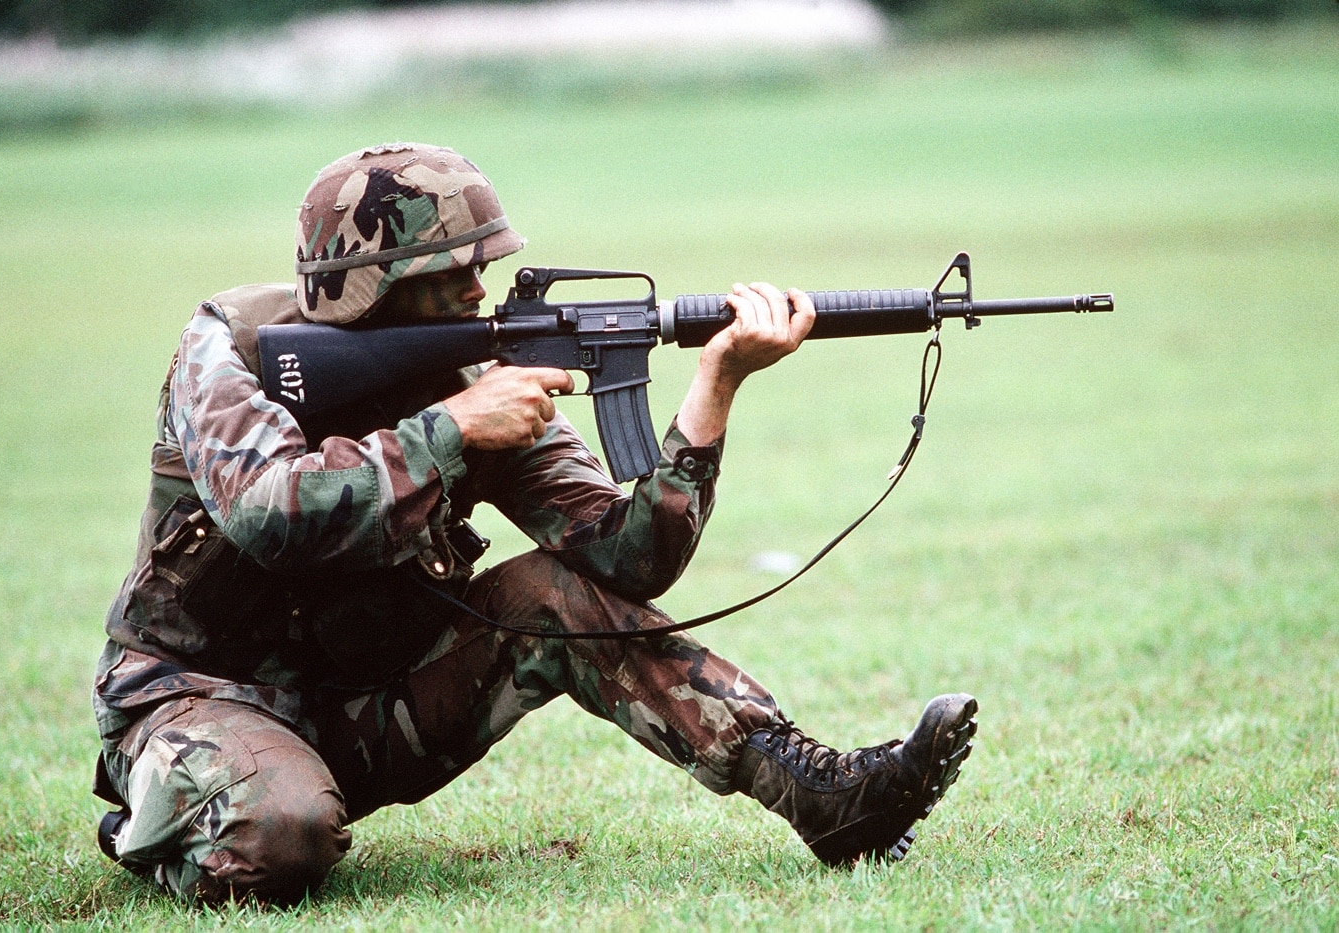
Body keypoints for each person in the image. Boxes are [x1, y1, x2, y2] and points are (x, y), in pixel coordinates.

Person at [91, 142, 978, 903]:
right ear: (374, 287)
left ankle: (821, 795)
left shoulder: (480, 375)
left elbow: (627, 562)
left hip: (361, 707)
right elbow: (270, 513)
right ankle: (168, 815)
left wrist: (714, 393)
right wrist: (451, 431)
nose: (484, 288)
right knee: (281, 835)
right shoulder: (233, 352)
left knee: (556, 594)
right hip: (188, 697)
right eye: (457, 271)